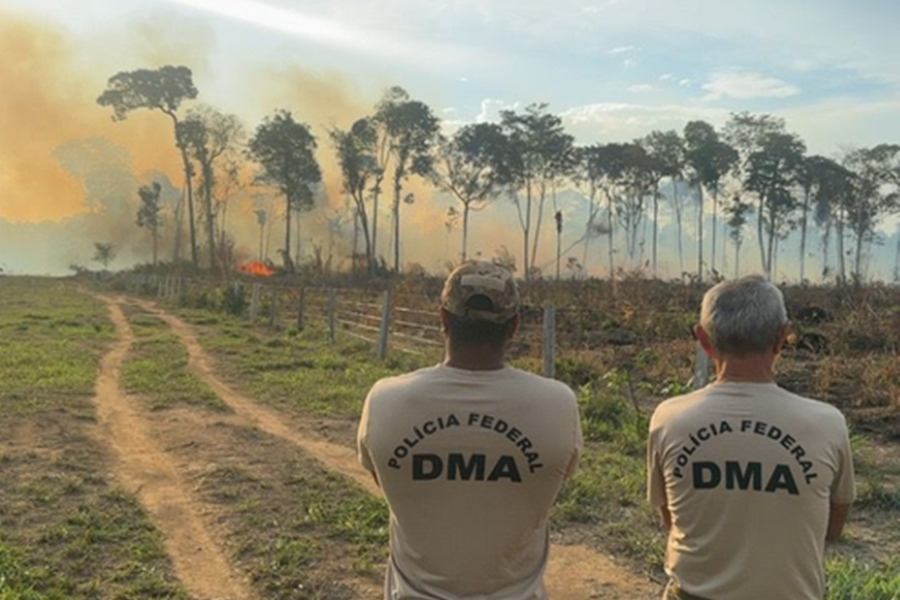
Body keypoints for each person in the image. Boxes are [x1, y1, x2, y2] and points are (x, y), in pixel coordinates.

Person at [358, 261, 583, 600]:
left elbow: (384, 478)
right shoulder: (558, 404)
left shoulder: (385, 400)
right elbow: (553, 480)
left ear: (444, 319)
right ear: (514, 326)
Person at [647, 276, 856, 600]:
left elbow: (672, 518)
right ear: (782, 338)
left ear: (703, 340)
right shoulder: (827, 423)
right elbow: (831, 527)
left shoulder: (669, 418)